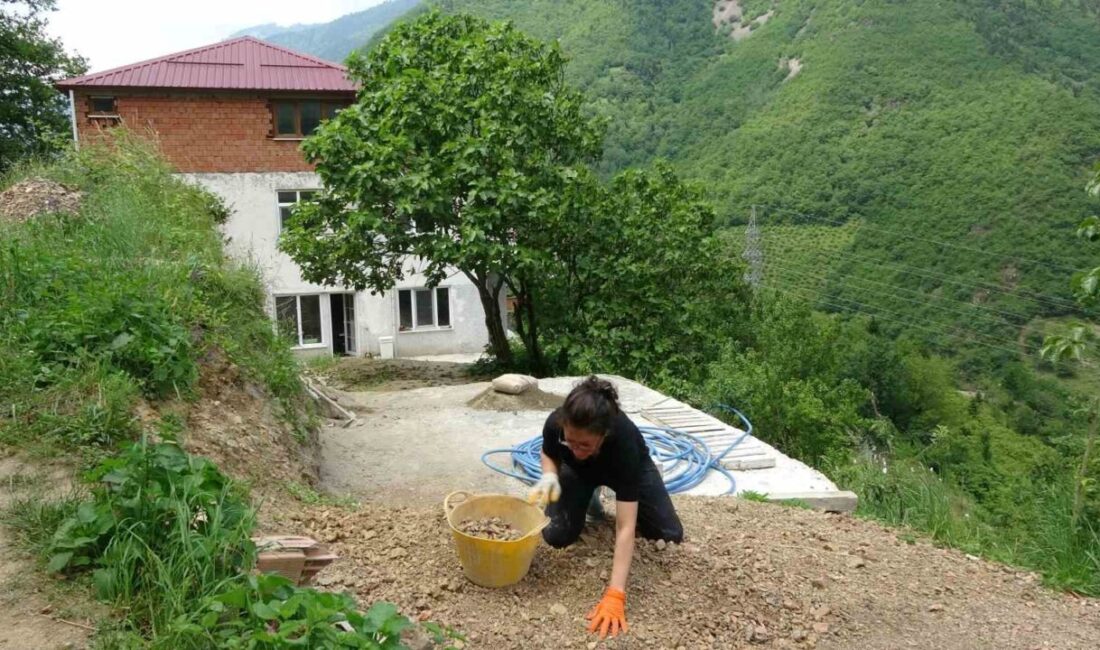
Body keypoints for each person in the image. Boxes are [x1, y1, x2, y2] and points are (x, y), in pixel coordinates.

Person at [528, 375, 683, 639]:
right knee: (555, 536)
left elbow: (625, 526)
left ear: (604, 435)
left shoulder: (623, 444)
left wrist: (615, 594)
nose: (575, 449)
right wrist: (550, 476)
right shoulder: (556, 423)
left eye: (585, 444)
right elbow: (549, 452)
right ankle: (587, 494)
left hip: (623, 469)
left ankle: (596, 487)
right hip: (579, 472)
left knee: (668, 534)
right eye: (570, 441)